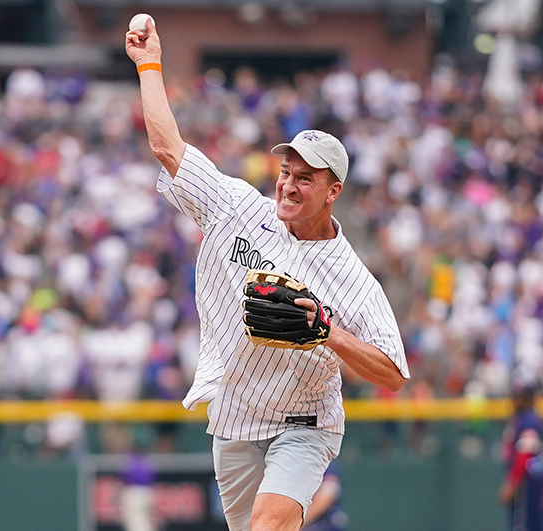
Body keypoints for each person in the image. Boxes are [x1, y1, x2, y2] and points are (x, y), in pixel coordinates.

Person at [125, 18, 409, 531]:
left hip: (304, 424)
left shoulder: (351, 276)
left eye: (306, 177)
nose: (289, 185)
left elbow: (391, 372)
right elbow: (169, 150)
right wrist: (149, 67)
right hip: (235, 415)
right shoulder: (238, 207)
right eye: (286, 172)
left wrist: (328, 331)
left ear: (333, 191)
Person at [499, 382, 543, 531]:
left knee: (525, 523)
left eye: (519, 397)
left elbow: (525, 455)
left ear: (527, 399)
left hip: (526, 481)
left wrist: (513, 483)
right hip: (522, 480)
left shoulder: (529, 420)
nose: (514, 400)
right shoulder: (520, 418)